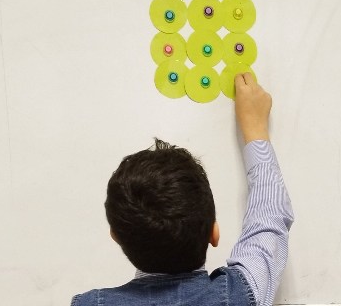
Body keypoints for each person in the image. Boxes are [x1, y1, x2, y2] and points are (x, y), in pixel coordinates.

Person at [71, 73, 293, 306]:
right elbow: (271, 215)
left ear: (115, 236)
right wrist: (255, 128)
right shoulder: (240, 295)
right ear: (214, 233)